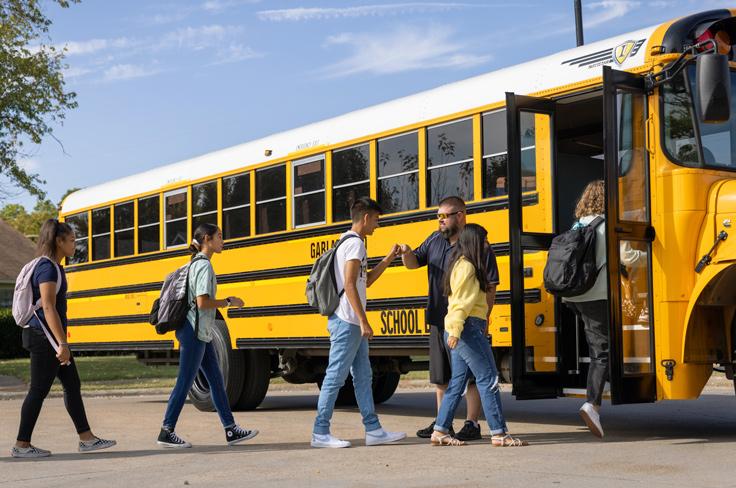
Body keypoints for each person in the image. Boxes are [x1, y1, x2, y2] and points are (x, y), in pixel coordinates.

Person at [11, 219, 116, 458]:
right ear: (58, 241)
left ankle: (87, 439)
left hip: (45, 337)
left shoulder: (53, 267)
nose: (74, 245)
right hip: (44, 337)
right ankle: (21, 444)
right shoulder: (47, 268)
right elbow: (48, 308)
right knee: (38, 389)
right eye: (71, 240)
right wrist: (62, 343)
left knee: (72, 384)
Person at [399, 196, 498, 441]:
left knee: (472, 377)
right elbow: (413, 264)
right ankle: (443, 424)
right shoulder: (434, 240)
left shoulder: (478, 246)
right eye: (438, 216)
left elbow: (491, 286)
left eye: (445, 216)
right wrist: (406, 253)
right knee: (442, 377)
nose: (441, 221)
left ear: (461, 215)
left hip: (466, 321)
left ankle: (471, 424)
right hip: (439, 319)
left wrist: (485, 318)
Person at [311, 197, 406, 448]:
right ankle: (320, 432)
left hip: (350, 321)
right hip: (347, 321)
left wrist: (387, 259)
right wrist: (364, 321)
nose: (377, 225)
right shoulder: (355, 245)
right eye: (376, 219)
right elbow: (350, 284)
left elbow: (366, 281)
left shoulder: (349, 243)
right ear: (365, 218)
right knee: (335, 376)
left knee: (364, 376)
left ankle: (373, 430)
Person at [158, 223, 257, 448]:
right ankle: (166, 431)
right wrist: (229, 301)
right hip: (193, 333)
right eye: (219, 236)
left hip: (199, 332)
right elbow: (202, 303)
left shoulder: (197, 264)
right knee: (184, 382)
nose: (223, 241)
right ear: (206, 239)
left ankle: (231, 430)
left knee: (215, 380)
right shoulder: (203, 266)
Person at [431, 223, 525, 447]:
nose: (487, 244)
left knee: (457, 383)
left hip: (463, 328)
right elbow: (459, 303)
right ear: (474, 242)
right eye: (484, 240)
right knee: (489, 378)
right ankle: (499, 433)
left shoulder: (464, 265)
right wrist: (455, 331)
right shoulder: (467, 267)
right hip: (465, 329)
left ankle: (440, 430)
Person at [563, 180, 608, 438]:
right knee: (601, 351)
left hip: (575, 296)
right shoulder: (604, 226)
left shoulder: (578, 224)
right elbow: (625, 257)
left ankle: (594, 400)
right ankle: (593, 404)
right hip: (597, 295)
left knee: (596, 346)